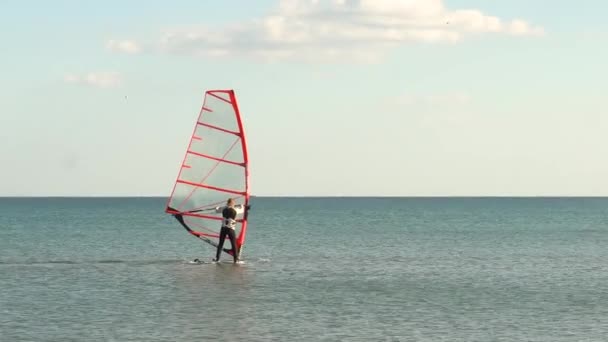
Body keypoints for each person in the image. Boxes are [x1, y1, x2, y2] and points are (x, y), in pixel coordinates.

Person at [213, 198, 250, 263]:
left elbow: (217, 210)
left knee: (221, 244)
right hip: (230, 229)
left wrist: (217, 208)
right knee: (234, 244)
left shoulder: (223, 209)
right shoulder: (235, 209)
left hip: (223, 229)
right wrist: (244, 206)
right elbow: (242, 210)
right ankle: (236, 260)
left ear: (227, 203)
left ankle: (217, 258)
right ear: (233, 203)